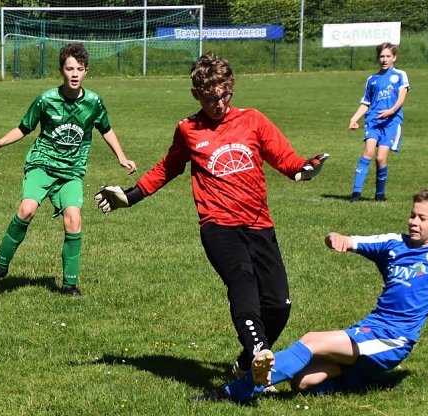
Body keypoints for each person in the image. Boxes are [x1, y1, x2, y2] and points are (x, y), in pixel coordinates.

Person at [95, 53, 328, 378]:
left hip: (259, 225)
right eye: (210, 99)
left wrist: (303, 167)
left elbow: (283, 157)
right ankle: (259, 353)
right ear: (196, 95)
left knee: (278, 304)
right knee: (242, 282)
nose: (219, 104)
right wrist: (130, 196)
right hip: (218, 226)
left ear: (231, 88)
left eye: (224, 95)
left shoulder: (253, 120)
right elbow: (168, 168)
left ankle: (245, 365)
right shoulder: (188, 129)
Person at [201, 189, 428, 403]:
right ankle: (355, 380)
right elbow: (347, 239)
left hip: (393, 340)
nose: (413, 221)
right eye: (412, 214)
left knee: (312, 340)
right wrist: (335, 238)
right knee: (303, 382)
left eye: (422, 218)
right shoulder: (393, 244)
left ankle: (237, 391)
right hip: (367, 330)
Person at [0, 43, 136, 297]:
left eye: (79, 69)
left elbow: (106, 129)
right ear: (61, 70)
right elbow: (24, 127)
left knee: (74, 219)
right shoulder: (47, 100)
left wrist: (122, 157)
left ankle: (69, 285)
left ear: (86, 72)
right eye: (69, 68)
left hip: (71, 172)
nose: (75, 74)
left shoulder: (93, 103)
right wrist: (1, 142)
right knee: (26, 210)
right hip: (42, 164)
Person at [347, 42, 409, 203]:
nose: (385, 59)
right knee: (368, 153)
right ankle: (356, 193)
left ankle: (380, 194)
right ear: (378, 58)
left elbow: (401, 97)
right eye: (382, 56)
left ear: (394, 58)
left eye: (388, 56)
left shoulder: (400, 75)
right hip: (373, 121)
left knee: (381, 158)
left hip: (391, 122)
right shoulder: (372, 79)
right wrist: (354, 118)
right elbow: (366, 103)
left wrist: (391, 111)